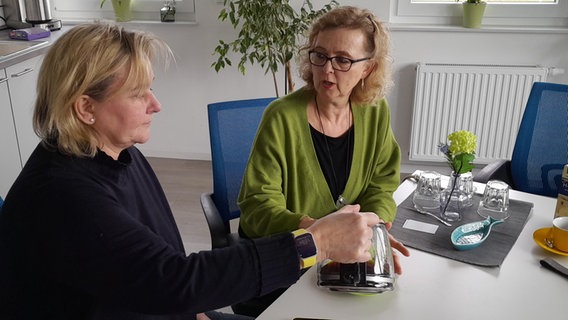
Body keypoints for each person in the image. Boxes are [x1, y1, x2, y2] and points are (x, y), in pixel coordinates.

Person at [0, 23, 394, 320]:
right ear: (86, 108)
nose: (155, 105)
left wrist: (192, 309)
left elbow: (159, 264)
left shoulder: (116, 152)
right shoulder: (62, 195)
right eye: (138, 94)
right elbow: (173, 278)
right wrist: (314, 242)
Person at [236, 6, 409, 316]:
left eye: (342, 60)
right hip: (284, 263)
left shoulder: (375, 111)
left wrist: (374, 231)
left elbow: (382, 185)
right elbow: (257, 206)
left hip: (343, 263)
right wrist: (323, 233)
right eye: (319, 55)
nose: (327, 70)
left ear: (367, 68)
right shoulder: (281, 117)